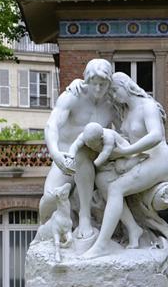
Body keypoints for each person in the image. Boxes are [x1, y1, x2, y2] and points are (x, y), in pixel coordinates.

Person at [83, 71, 168, 259]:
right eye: (112, 94)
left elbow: (156, 135)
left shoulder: (147, 106)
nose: (115, 97)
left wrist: (126, 152)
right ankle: (133, 228)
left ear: (126, 85)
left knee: (116, 188)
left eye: (115, 91)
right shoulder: (125, 112)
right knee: (102, 179)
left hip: (159, 160)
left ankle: (101, 245)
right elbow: (125, 139)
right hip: (139, 159)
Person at [42, 58, 115, 240]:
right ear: (86, 80)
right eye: (94, 83)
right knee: (50, 198)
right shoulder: (73, 96)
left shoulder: (112, 103)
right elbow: (52, 125)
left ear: (109, 82)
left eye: (103, 84)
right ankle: (45, 235)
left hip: (95, 159)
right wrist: (56, 154)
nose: (98, 89)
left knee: (82, 154)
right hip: (65, 157)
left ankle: (85, 217)